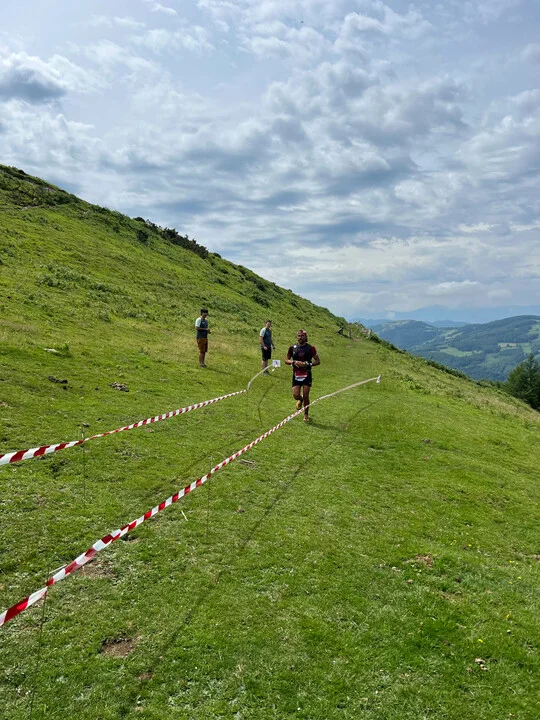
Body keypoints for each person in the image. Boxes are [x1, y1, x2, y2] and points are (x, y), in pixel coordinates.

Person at [285, 329, 320, 422]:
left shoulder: (311, 348)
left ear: (306, 337)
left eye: (302, 336)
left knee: (306, 395)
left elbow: (318, 361)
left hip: (306, 374)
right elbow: (286, 360)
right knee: (296, 395)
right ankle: (300, 400)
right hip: (296, 374)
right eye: (299, 336)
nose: (300, 337)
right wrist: (293, 362)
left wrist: (308, 364)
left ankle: (306, 414)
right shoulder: (292, 347)